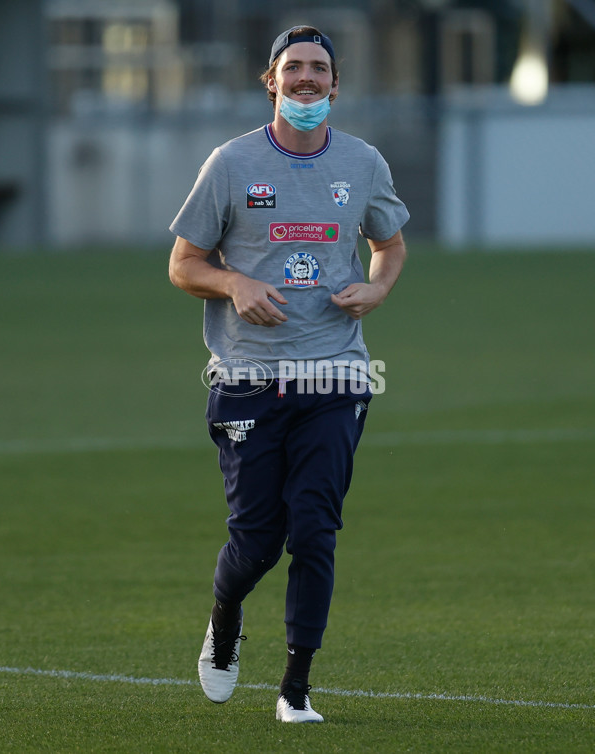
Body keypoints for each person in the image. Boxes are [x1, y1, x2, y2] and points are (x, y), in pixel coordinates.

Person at [168, 25, 409, 724]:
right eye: (294, 67)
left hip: (335, 376)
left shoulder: (363, 162)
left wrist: (378, 287)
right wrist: (233, 282)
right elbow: (184, 264)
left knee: (315, 530)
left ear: (336, 84)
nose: (307, 79)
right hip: (247, 377)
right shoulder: (231, 163)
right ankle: (224, 617)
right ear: (270, 81)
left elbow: (388, 245)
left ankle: (295, 690)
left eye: (320, 69)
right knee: (257, 541)